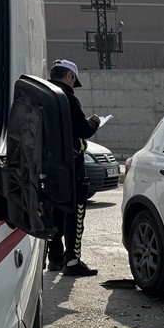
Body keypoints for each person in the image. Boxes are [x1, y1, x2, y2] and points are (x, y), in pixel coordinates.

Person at [47, 59, 100, 277]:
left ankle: (56, 259)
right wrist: (95, 121)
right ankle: (73, 260)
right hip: (72, 167)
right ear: (69, 76)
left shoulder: (44, 97)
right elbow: (83, 130)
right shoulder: (67, 98)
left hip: (51, 166)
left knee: (55, 211)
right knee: (75, 213)